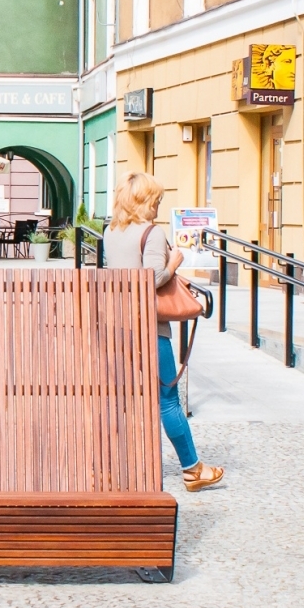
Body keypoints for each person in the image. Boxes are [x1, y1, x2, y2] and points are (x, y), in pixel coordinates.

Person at [104, 171, 225, 492]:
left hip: (118, 328)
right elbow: (152, 278)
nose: (159, 205)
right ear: (142, 201)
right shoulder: (152, 233)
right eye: (155, 200)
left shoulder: (112, 232)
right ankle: (192, 469)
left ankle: (120, 469)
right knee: (167, 400)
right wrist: (175, 261)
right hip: (149, 330)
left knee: (126, 400)